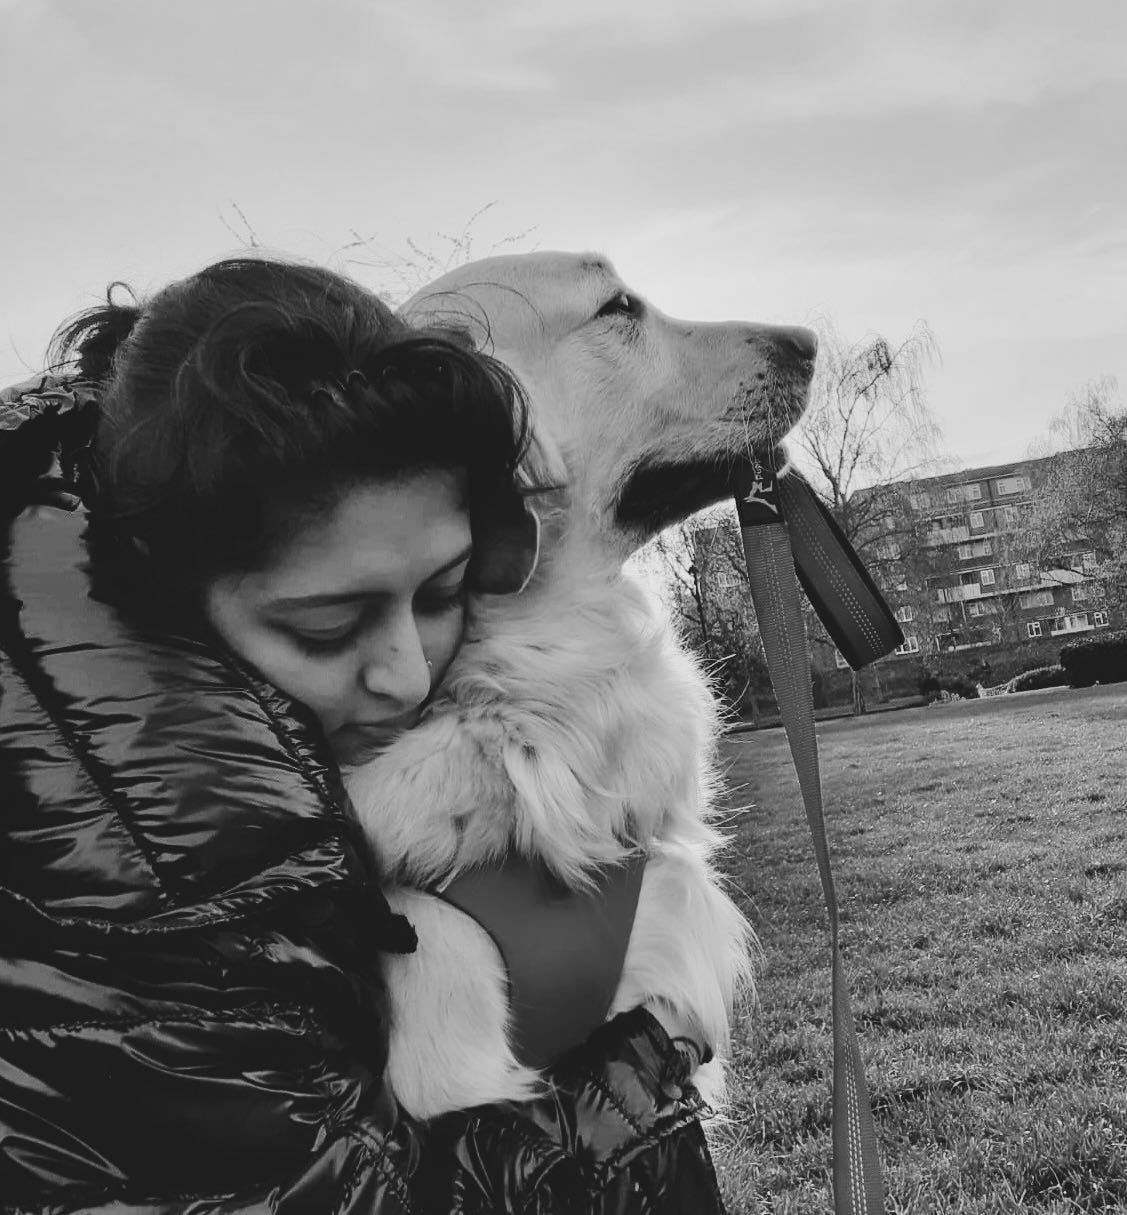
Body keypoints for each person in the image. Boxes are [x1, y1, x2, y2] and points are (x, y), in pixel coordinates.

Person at [0, 256, 727, 1214]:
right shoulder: (132, 875)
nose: (406, 674)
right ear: (160, 593)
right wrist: (623, 1093)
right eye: (327, 628)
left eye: (442, 592)